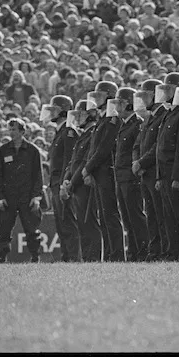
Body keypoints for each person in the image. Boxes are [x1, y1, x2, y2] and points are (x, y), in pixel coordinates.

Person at [82, 81, 124, 261]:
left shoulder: (112, 121)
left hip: (106, 172)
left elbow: (103, 149)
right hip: (99, 173)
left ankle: (116, 255)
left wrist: (87, 168)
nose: (96, 99)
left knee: (110, 216)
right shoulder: (103, 120)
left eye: (99, 95)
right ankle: (109, 255)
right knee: (104, 217)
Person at [154, 72, 179, 261]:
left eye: (169, 88)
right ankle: (172, 252)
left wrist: (177, 176)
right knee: (168, 216)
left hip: (173, 172)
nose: (166, 93)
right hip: (164, 173)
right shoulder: (169, 113)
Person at [0, 118, 44, 263]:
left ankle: (35, 257)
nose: (11, 132)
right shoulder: (2, 151)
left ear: (22, 131)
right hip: (8, 197)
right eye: (9, 129)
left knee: (32, 229)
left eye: (14, 129)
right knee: (4, 230)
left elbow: (38, 176)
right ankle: (1, 258)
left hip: (27, 197)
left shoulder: (33, 150)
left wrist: (36, 197)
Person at [60, 100, 103, 262]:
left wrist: (71, 182)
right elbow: (73, 162)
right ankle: (87, 258)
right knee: (83, 225)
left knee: (89, 223)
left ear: (91, 115)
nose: (78, 118)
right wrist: (66, 180)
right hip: (76, 186)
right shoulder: (83, 135)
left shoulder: (93, 134)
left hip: (84, 186)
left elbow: (85, 161)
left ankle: (93, 258)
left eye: (81, 115)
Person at [132, 79, 168, 261]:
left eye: (145, 95)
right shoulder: (151, 116)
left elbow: (157, 146)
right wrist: (137, 162)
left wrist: (141, 162)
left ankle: (162, 250)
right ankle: (155, 251)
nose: (143, 99)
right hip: (146, 173)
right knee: (152, 215)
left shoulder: (162, 115)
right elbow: (140, 143)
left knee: (160, 214)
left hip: (155, 171)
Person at [113, 87, 149, 261]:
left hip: (130, 177)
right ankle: (134, 253)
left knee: (135, 216)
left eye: (120, 103)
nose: (117, 106)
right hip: (121, 177)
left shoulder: (137, 123)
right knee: (127, 218)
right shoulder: (125, 125)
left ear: (129, 104)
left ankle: (142, 252)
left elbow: (137, 149)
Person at [44, 95, 79, 262]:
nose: (51, 112)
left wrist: (65, 183)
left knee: (67, 222)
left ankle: (73, 258)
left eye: (55, 108)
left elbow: (69, 159)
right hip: (55, 183)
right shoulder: (61, 132)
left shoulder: (68, 132)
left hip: (62, 183)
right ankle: (67, 257)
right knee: (61, 223)